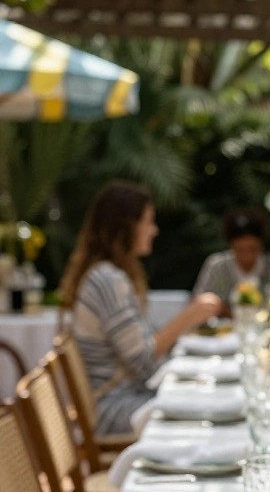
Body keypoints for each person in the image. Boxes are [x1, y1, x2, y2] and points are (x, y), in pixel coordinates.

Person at [59, 181, 221, 435]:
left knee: (205, 399)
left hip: (124, 397)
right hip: (110, 407)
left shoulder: (109, 276)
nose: (154, 230)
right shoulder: (107, 280)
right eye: (148, 221)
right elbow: (143, 360)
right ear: (126, 226)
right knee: (206, 413)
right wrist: (190, 315)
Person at [193, 207, 270, 313]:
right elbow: (198, 304)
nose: (247, 255)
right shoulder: (217, 266)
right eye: (241, 250)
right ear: (231, 245)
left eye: (252, 249)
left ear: (261, 244)